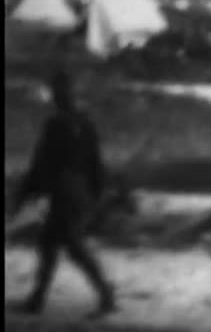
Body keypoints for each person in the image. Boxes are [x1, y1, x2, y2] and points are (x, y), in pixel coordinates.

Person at [10, 70, 117, 318]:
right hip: (78, 192)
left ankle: (106, 294)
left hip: (64, 192)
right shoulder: (85, 123)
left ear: (58, 96)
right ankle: (38, 298)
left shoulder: (56, 124)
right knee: (50, 244)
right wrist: (97, 194)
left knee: (71, 246)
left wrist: (25, 193)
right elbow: (96, 163)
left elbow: (42, 163)